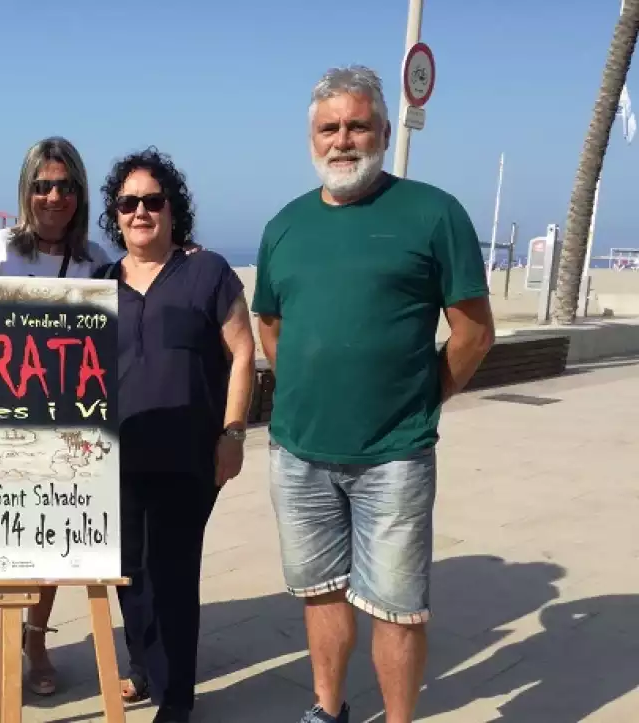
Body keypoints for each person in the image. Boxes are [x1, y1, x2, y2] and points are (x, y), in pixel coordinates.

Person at [252, 66, 495, 723]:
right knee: (321, 592)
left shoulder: (434, 213)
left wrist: (421, 397)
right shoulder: (283, 225)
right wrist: (318, 384)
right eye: (328, 128)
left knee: (396, 603)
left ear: (384, 131)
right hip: (298, 450)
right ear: (312, 139)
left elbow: (474, 332)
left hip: (394, 455)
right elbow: (271, 325)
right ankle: (327, 708)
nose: (343, 140)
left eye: (357, 125)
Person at [93, 148, 256, 723]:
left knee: (172, 571)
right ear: (115, 215)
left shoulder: (206, 272)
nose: (141, 211)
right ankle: (143, 667)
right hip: (114, 455)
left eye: (153, 201)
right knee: (126, 568)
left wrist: (233, 432)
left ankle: (178, 697)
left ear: (172, 209)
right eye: (128, 202)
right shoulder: (98, 283)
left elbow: (243, 353)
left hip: (189, 453)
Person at [0, 135, 111, 707]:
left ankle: (33, 640)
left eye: (66, 186)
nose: (54, 196)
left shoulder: (96, 259)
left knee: (55, 541)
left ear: (79, 192)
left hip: (68, 426)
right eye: (43, 185)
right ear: (26, 190)